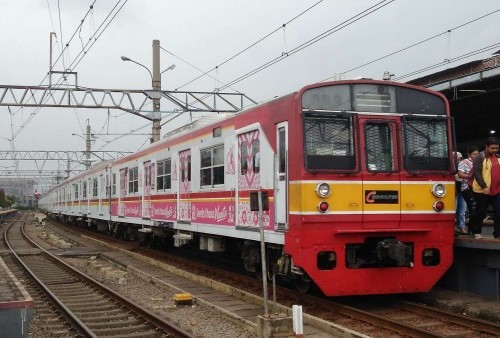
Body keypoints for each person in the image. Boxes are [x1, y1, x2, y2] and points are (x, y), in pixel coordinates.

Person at [469, 137, 500, 239]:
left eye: (497, 148)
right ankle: (476, 232)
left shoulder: (498, 157)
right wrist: (484, 186)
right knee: (481, 211)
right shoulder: (480, 157)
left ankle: (497, 233)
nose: (495, 150)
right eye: (492, 148)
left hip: (496, 190)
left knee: (498, 211)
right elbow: (477, 173)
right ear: (486, 147)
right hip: (482, 191)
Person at [456, 146, 479, 234]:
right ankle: (469, 229)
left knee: (473, 208)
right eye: (474, 154)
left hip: (476, 188)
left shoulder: (479, 162)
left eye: (477, 154)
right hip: (466, 188)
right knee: (470, 208)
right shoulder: (463, 162)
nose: (476, 156)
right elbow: (460, 174)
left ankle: (470, 228)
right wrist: (470, 176)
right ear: (469, 154)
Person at [454, 151, 467, 234]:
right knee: (453, 209)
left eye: (460, 158)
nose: (459, 160)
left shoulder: (463, 165)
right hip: (453, 190)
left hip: (462, 189)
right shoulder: (451, 167)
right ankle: (454, 227)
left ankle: (461, 227)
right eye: (457, 158)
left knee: (462, 209)